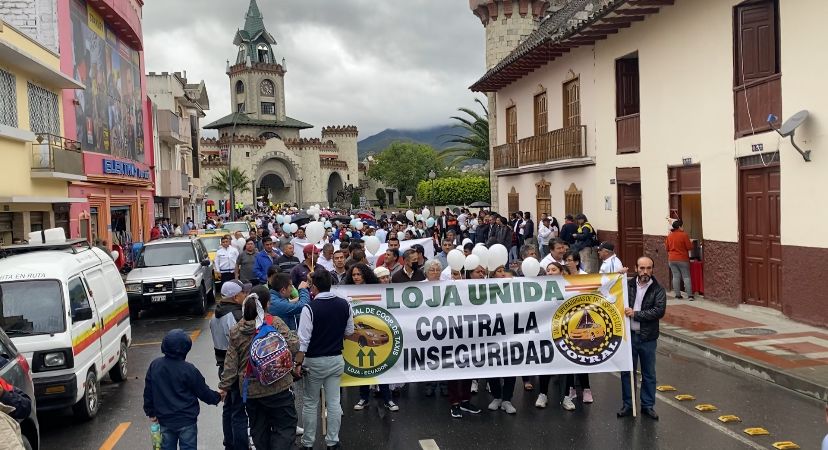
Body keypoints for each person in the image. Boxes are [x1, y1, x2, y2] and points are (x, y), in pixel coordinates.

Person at [220, 294, 299, 450]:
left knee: (258, 429)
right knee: (284, 426)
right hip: (279, 386)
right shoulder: (274, 322)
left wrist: (224, 387)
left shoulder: (236, 331)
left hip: (251, 391)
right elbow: (294, 346)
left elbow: (230, 364)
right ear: (263, 308)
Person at [296, 271, 354, 450]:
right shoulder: (345, 304)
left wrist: (298, 363)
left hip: (313, 361)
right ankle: (333, 441)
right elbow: (349, 331)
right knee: (334, 402)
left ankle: (308, 443)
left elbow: (303, 341)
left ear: (314, 286)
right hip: (336, 358)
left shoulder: (309, 308)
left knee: (311, 403)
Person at [144, 329, 222, 450]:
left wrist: (151, 412)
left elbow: (148, 391)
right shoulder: (189, 370)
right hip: (187, 420)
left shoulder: (155, 365)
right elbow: (202, 391)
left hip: (165, 420)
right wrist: (217, 397)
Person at [618, 256, 666, 420]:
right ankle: (628, 405)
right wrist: (618, 276)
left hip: (648, 338)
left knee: (649, 374)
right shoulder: (627, 285)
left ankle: (648, 406)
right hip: (629, 337)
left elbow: (659, 311)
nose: (645, 271)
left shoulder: (658, 289)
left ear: (653, 269)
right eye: (642, 268)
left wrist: (636, 314)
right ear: (636, 268)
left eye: (649, 268)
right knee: (627, 372)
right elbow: (612, 291)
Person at [209, 280, 250, 450]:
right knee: (239, 411)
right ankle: (240, 445)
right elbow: (240, 345)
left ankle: (229, 443)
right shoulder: (235, 316)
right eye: (242, 293)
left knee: (229, 407)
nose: (244, 296)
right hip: (236, 369)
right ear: (235, 296)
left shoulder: (215, 315)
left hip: (222, 367)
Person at [665, 219, 694, 300]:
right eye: (682, 226)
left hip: (671, 259)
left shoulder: (669, 236)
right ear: (680, 226)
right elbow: (689, 247)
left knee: (675, 276)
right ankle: (690, 295)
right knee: (686, 277)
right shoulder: (684, 235)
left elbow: (666, 248)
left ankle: (678, 295)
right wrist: (691, 243)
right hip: (682, 259)